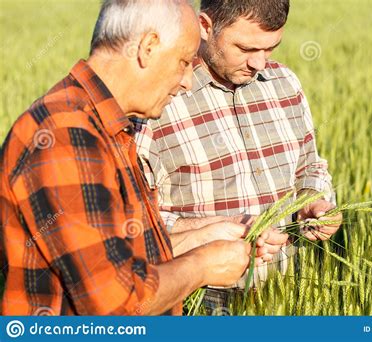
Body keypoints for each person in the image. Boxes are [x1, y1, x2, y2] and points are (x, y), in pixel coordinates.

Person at [0, 0, 275, 316]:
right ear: (148, 47)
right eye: (184, 62)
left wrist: (205, 237)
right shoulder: (65, 134)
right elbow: (115, 303)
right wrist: (202, 266)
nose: (187, 82)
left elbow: (122, 255)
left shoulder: (105, 125)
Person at [133, 0, 343, 311]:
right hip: (200, 300)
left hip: (291, 290)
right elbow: (135, 220)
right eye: (245, 48)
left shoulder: (284, 83)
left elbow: (308, 164)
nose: (259, 63)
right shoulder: (158, 100)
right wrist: (216, 229)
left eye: (270, 48)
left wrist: (313, 200)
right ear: (205, 27)